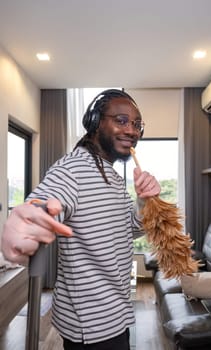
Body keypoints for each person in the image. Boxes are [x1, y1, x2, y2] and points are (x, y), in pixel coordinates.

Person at [1, 89, 160, 350]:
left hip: (117, 313)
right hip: (92, 324)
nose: (132, 130)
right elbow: (45, 200)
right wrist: (28, 221)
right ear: (96, 122)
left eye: (137, 124)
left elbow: (127, 230)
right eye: (121, 120)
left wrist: (144, 203)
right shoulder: (73, 169)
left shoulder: (113, 177)